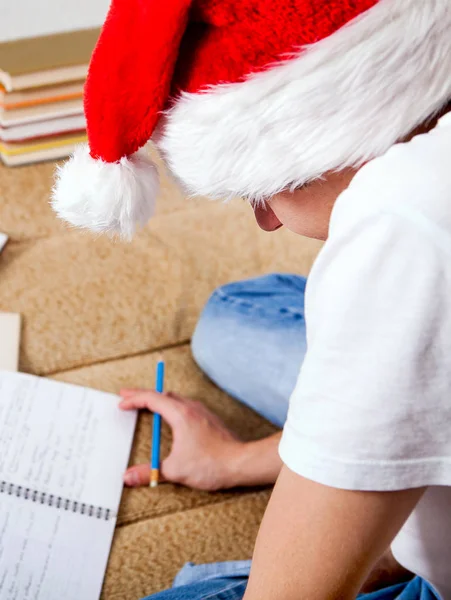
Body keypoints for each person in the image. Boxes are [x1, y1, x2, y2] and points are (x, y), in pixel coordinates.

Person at [51, 0, 451, 598]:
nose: (265, 221)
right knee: (234, 317)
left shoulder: (406, 220)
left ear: (334, 123)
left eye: (259, 188)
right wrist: (233, 463)